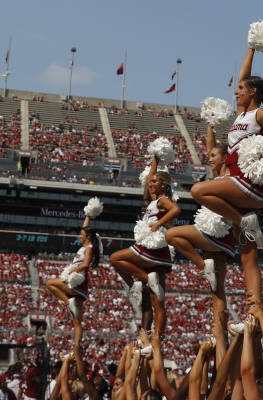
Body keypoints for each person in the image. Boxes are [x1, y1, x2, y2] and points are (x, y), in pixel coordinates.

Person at [190, 45, 263, 303]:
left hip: (247, 183)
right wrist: (251, 48)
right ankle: (254, 305)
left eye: (241, 89)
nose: (235, 91)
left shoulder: (260, 113)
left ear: (253, 92)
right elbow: (243, 75)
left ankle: (242, 219)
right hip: (240, 187)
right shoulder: (242, 115)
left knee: (198, 191)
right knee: (248, 255)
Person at [167, 123, 235, 338]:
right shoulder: (217, 177)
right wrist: (211, 124)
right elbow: (210, 147)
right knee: (217, 290)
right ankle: (220, 333)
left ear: (226, 157)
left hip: (215, 233)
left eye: (214, 156)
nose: (209, 158)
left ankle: (201, 264)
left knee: (172, 235)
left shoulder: (231, 176)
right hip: (223, 238)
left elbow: (217, 150)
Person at [108, 154, 181, 337]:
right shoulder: (155, 199)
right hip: (160, 255)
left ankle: (141, 282)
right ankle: (157, 336)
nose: (150, 184)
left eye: (155, 182)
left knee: (115, 258)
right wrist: (155, 159)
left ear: (164, 184)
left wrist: (156, 225)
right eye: (150, 182)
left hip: (151, 250)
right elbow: (149, 179)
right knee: (158, 301)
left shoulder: (163, 200)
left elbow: (176, 210)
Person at [45, 210, 101, 350]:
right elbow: (84, 229)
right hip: (80, 284)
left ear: (87, 237)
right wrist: (88, 215)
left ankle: (68, 301)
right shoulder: (86, 245)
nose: (79, 236)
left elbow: (86, 264)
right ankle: (76, 346)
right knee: (77, 321)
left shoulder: (88, 249)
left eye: (81, 235)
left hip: (76, 280)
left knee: (49, 283)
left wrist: (70, 271)